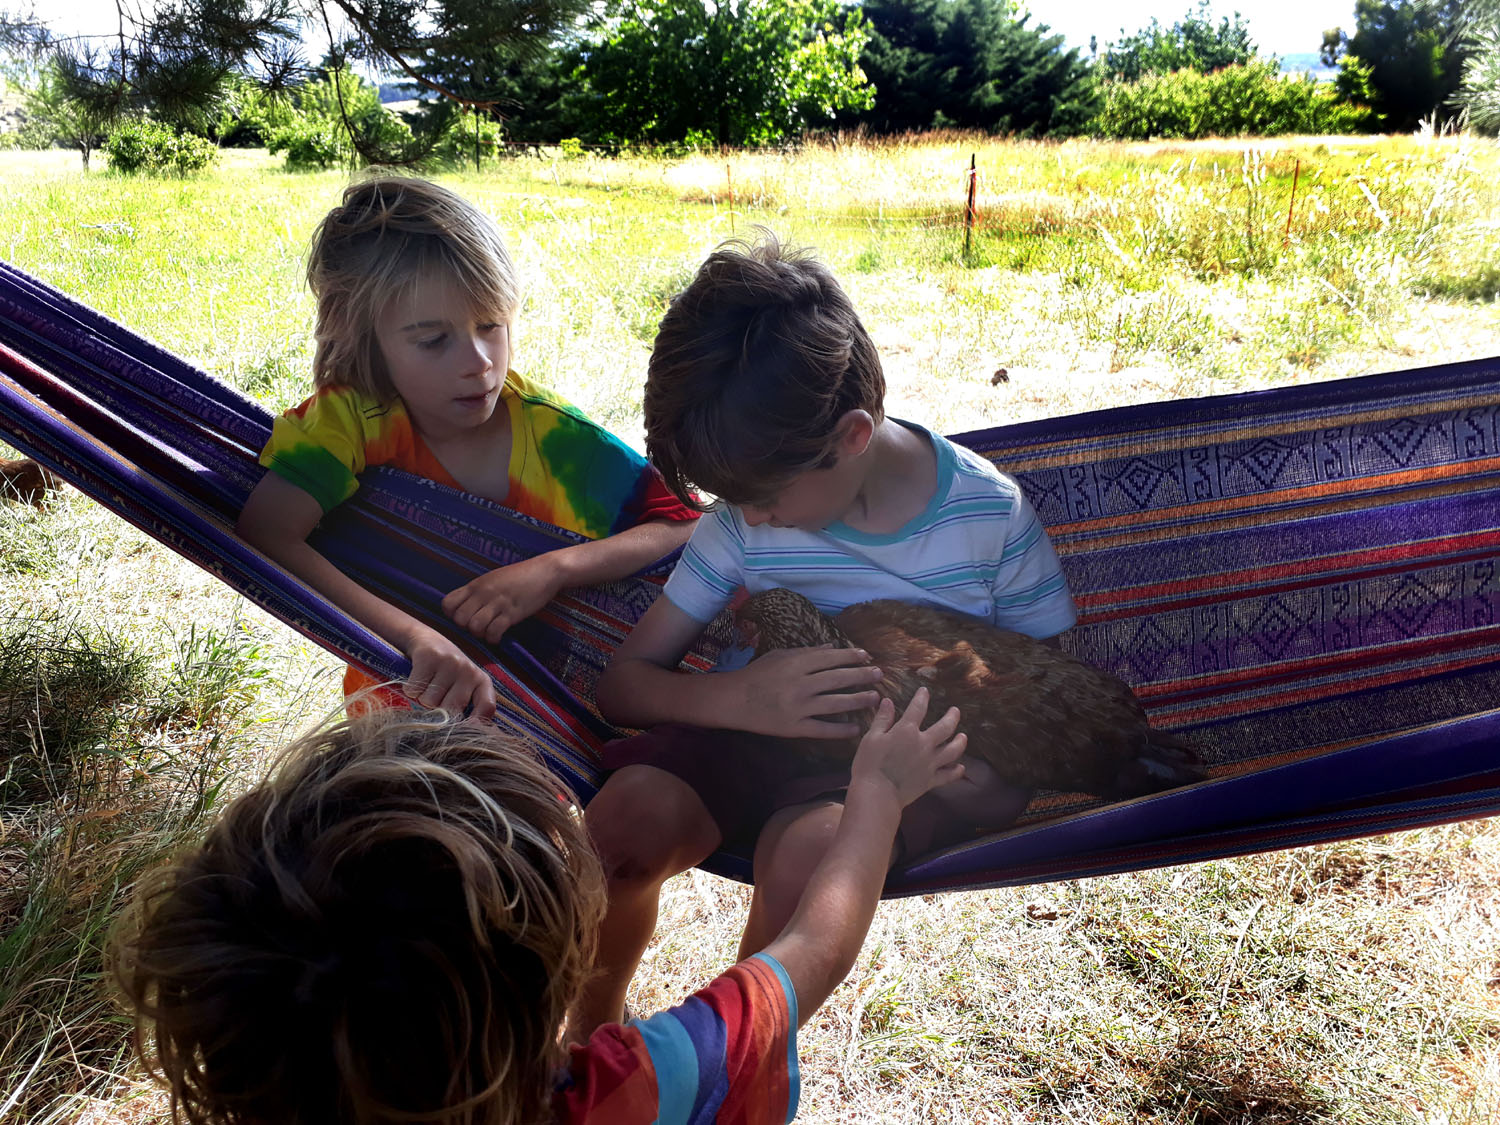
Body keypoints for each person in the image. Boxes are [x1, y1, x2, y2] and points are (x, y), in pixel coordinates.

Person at [573, 234, 1077, 1035]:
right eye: (727, 496)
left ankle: (730, 1064)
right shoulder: (741, 520)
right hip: (742, 729)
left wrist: (977, 782)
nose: (748, 515)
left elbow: (1045, 710)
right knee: (622, 821)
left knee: (809, 857)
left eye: (762, 496)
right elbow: (624, 684)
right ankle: (589, 1043)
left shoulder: (989, 520)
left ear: (850, 436)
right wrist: (739, 694)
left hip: (885, 774)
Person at [110, 690, 967, 1124]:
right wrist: (878, 795)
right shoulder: (632, 1085)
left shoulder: (285, 1088)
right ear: (545, 987)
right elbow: (812, 947)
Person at [237, 177, 696, 719]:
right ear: (365, 338)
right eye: (433, 340)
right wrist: (418, 639)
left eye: (491, 325)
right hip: (403, 700)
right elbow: (266, 531)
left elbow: (684, 522)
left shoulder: (556, 439)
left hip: (545, 714)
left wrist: (553, 570)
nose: (478, 361)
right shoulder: (353, 422)